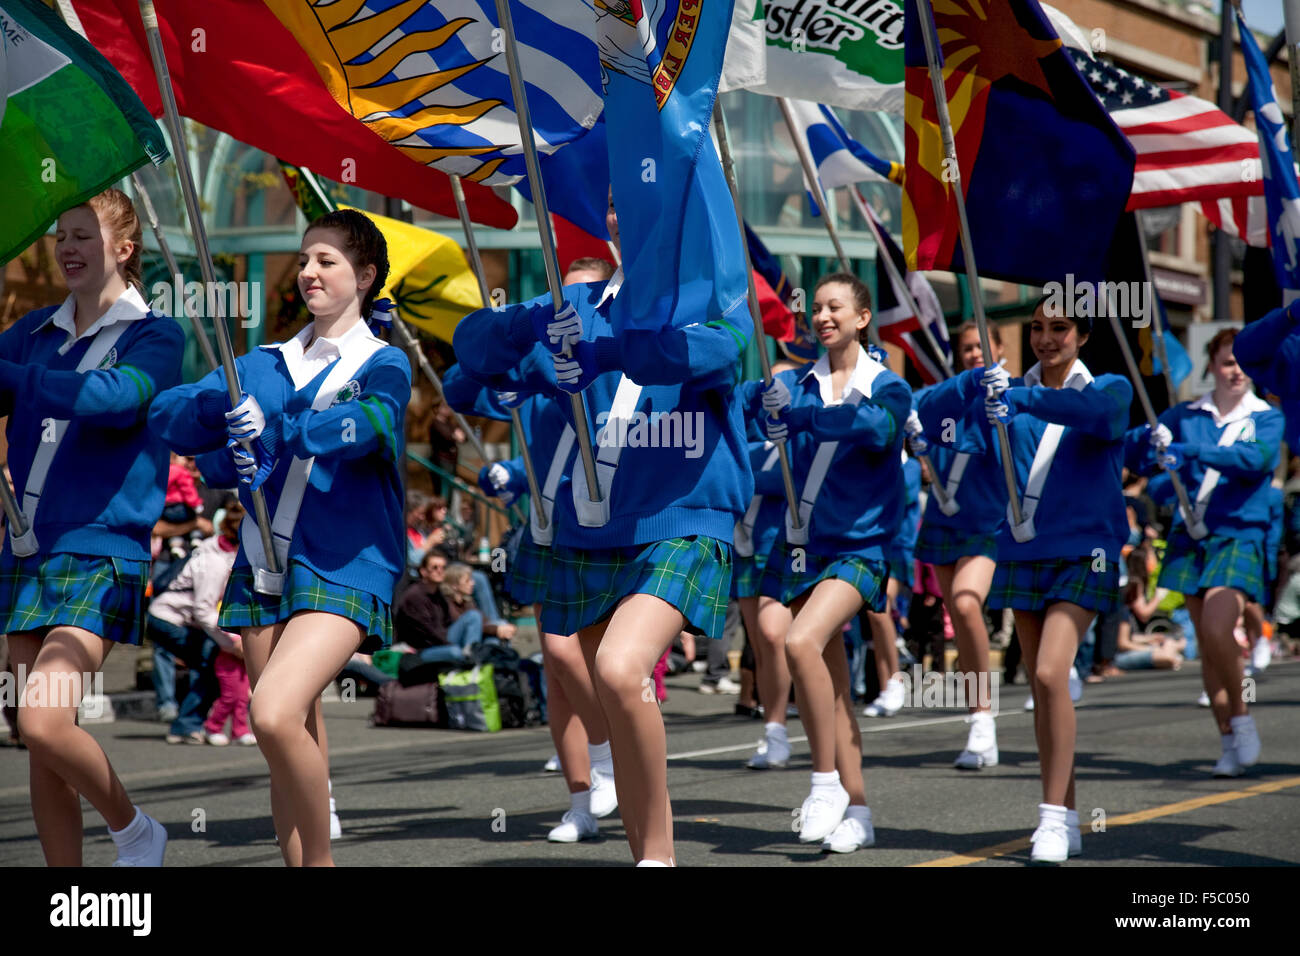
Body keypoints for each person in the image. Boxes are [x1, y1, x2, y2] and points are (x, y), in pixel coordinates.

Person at [452, 197, 753, 867]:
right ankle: (625, 830)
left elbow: (717, 354)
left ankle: (660, 853)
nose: (627, 214)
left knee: (620, 671)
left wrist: (606, 348)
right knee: (584, 677)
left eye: (646, 198)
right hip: (589, 527)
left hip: (682, 518)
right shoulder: (580, 300)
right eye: (617, 204)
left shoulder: (716, 296)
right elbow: (468, 356)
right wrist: (532, 332)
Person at [150, 208, 410, 866]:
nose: (309, 272)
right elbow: (167, 417)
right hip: (265, 564)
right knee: (282, 737)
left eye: (327, 260)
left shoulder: (385, 365)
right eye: (303, 260)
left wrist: (281, 427)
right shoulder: (262, 363)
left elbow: (369, 424)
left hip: (349, 564)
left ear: (366, 275)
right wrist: (217, 415)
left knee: (270, 712)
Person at [0, 188, 184, 865]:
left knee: (40, 719)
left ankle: (135, 829)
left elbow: (120, 397)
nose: (68, 248)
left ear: (124, 249)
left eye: (84, 235)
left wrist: (17, 379)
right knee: (42, 747)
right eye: (60, 237)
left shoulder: (155, 334)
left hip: (101, 550)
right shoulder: (33, 334)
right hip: (28, 546)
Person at [739, 272, 912, 853]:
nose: (822, 316)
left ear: (863, 317)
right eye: (815, 307)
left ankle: (824, 783)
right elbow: (742, 413)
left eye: (835, 306)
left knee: (797, 643)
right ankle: (858, 811)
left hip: (860, 549)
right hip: (801, 550)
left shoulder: (887, 386)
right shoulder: (796, 384)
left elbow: (877, 428)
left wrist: (804, 417)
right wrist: (757, 400)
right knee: (834, 691)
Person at [979, 293, 1132, 863]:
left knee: (1049, 672)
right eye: (1038, 327)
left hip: (1086, 551)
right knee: (1044, 692)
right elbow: (960, 438)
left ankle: (1049, 818)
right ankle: (1063, 816)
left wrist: (1023, 398)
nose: (1046, 339)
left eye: (1061, 328)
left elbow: (1100, 419)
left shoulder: (1108, 389)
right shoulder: (1010, 396)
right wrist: (979, 405)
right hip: (1025, 550)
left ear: (1083, 334)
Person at [465, 372, 620, 843]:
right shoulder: (531, 377)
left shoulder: (601, 368)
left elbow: (611, 448)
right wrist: (506, 473)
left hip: (599, 527)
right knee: (557, 671)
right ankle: (581, 805)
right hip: (545, 528)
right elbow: (460, 383)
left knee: (578, 657)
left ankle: (612, 756)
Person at [1131, 328, 1282, 778]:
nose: (1233, 371)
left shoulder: (1266, 417)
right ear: (1211, 365)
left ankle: (1241, 716)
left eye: (1240, 363)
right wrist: (1152, 446)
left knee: (1218, 628)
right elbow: (1151, 472)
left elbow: (1253, 461)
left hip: (1238, 534)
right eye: (1225, 361)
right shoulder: (1184, 414)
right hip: (1190, 533)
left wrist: (1189, 452)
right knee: (1210, 648)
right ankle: (1227, 739)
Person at [913, 321, 1009, 767]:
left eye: (981, 347)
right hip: (945, 519)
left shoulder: (1012, 396)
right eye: (967, 348)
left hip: (988, 522)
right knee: (956, 610)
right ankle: (977, 716)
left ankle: (985, 718)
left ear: (1001, 348)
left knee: (968, 604)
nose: (974, 354)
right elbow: (921, 408)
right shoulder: (949, 394)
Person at [148, 499, 245, 745]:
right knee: (211, 663)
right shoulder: (213, 560)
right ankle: (187, 725)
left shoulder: (222, 553)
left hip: (179, 620)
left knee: (208, 664)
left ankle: (189, 724)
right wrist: (230, 643)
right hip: (166, 619)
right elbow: (204, 610)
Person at [733, 436, 795, 769]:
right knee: (760, 647)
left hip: (783, 552)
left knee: (774, 638)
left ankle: (781, 726)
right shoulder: (753, 448)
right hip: (746, 552)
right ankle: (774, 732)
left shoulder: (799, 444)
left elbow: (788, 481)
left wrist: (739, 476)